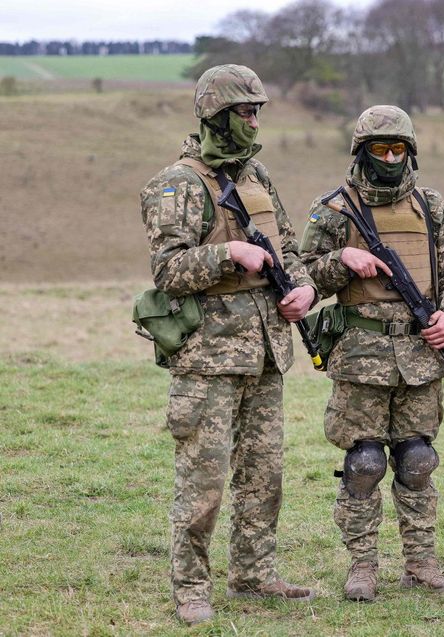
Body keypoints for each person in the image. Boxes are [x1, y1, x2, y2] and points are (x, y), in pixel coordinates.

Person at [138, 64, 318, 625]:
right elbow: (167, 269)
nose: (254, 120)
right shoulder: (177, 184)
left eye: (258, 110)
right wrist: (227, 255)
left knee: (264, 472)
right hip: (209, 359)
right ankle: (192, 587)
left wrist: (304, 288)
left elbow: (289, 247)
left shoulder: (257, 176)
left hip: (266, 350)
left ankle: (254, 573)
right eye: (245, 111)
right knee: (204, 477)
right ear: (216, 115)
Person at [299, 105, 444, 603]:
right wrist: (341, 261)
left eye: (399, 149)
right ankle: (362, 567)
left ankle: (420, 564)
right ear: (362, 152)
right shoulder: (332, 210)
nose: (392, 158)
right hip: (360, 356)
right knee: (365, 462)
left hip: (421, 356)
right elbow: (301, 275)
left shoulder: (432, 207)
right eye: (381, 149)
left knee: (417, 460)